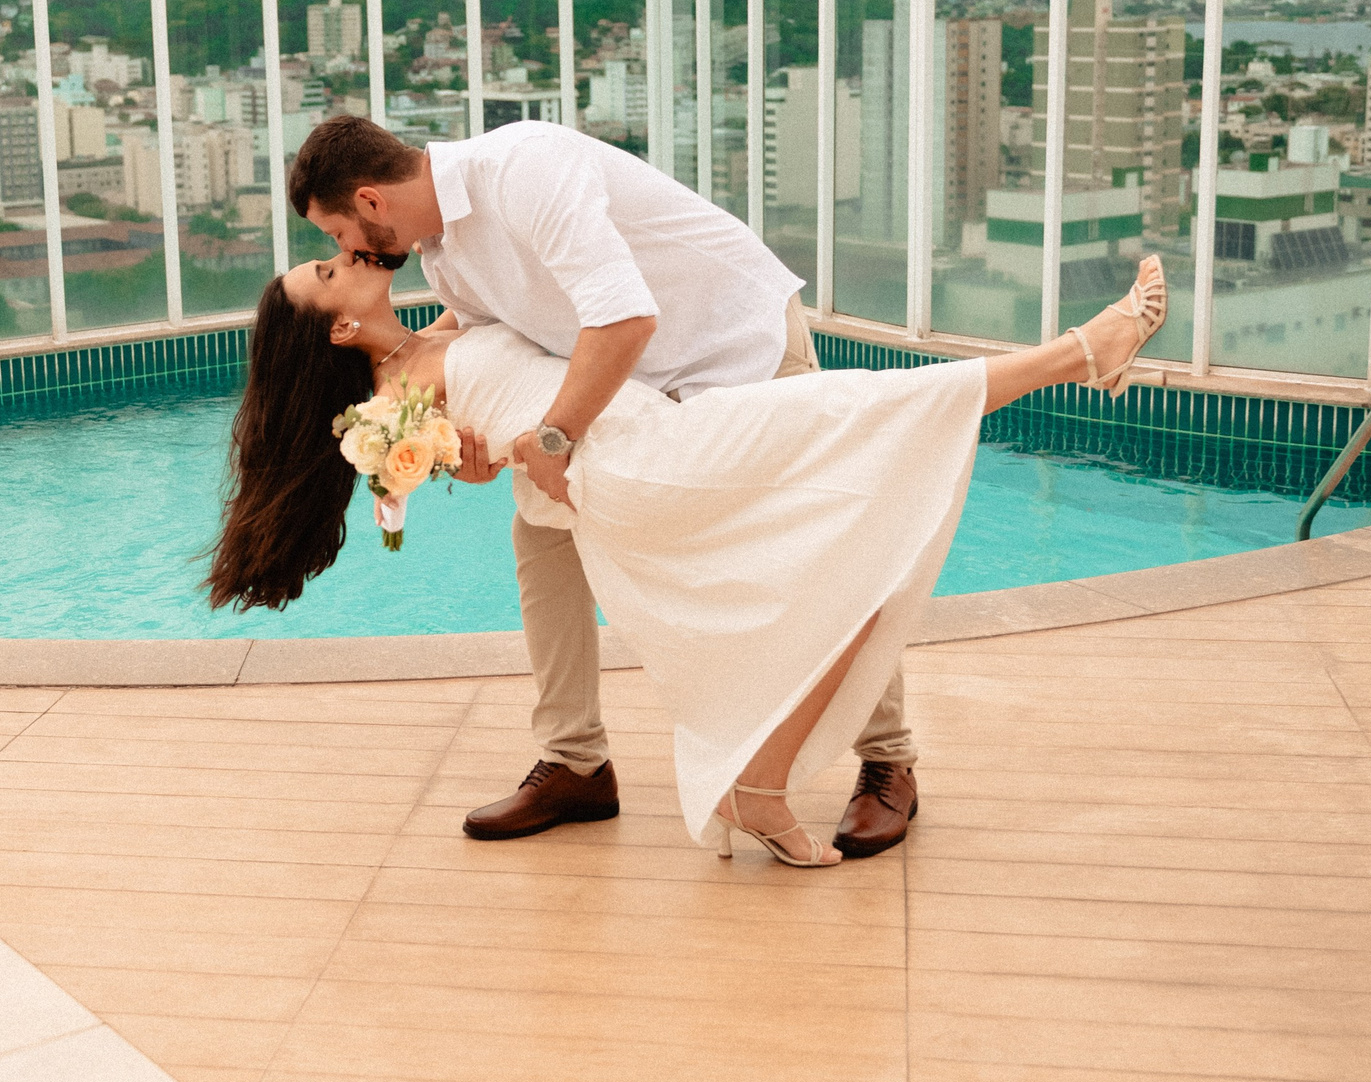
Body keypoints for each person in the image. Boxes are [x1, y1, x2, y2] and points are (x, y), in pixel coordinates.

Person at [205, 241, 1165, 866]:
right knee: (869, 412)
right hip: (646, 464)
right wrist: (453, 455)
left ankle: (760, 786)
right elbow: (475, 467)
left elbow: (503, 428)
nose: (340, 258)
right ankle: (1091, 346)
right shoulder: (386, 405)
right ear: (335, 323)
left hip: (661, 438)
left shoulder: (441, 330)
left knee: (854, 556)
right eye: (326, 273)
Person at [290, 115, 920, 856]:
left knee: (823, 538)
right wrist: (453, 429)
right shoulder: (441, 254)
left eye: (337, 234)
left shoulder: (525, 169)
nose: (347, 250)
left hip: (736, 341)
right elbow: (492, 333)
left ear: (369, 200)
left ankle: (888, 759)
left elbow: (624, 318)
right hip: (641, 388)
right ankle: (575, 760)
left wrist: (553, 436)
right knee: (542, 533)